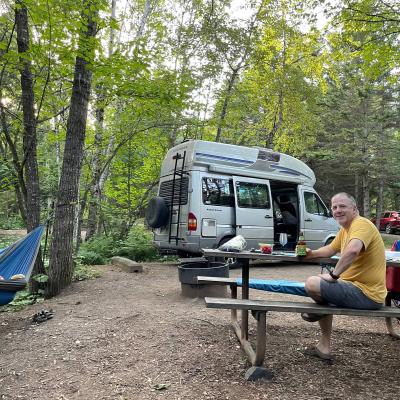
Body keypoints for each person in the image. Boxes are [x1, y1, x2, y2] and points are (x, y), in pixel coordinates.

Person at [302, 192, 386, 361]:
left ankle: (319, 312)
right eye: (334, 207)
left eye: (342, 206)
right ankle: (324, 347)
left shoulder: (362, 224)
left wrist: (333, 275)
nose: (337, 210)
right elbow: (330, 250)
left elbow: (353, 250)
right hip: (353, 287)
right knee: (321, 290)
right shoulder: (345, 229)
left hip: (367, 294)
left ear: (354, 209)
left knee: (312, 283)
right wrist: (309, 254)